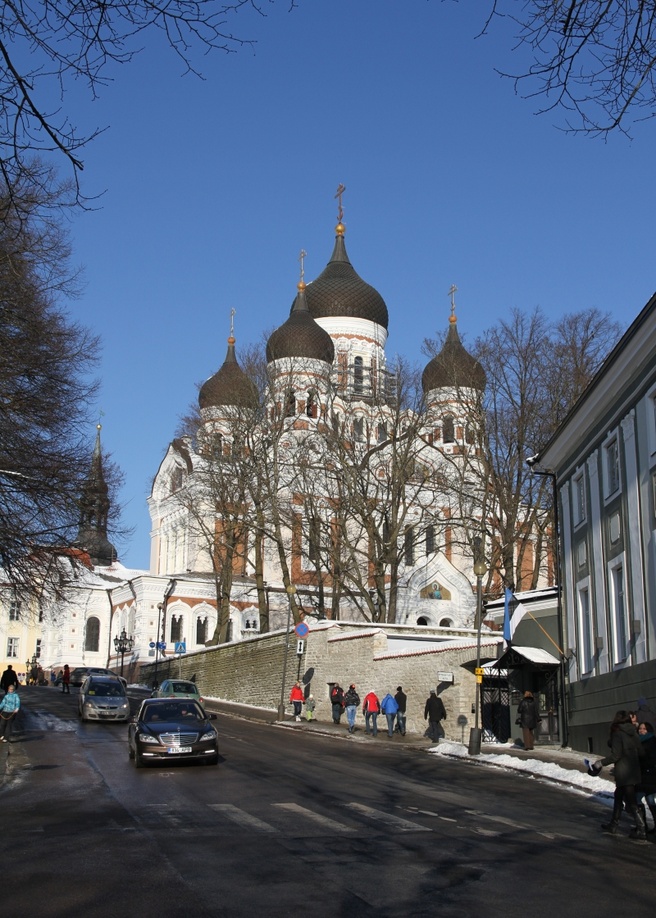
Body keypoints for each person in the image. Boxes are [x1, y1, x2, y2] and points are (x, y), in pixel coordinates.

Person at [591, 710, 647, 839]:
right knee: (618, 795)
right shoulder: (633, 732)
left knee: (631, 800)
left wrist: (600, 763)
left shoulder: (617, 734)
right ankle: (613, 824)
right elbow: (641, 752)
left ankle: (641, 828)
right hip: (634, 770)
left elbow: (616, 755)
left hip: (623, 771)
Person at [636, 721, 656, 833]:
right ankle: (644, 826)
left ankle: (642, 826)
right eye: (640, 728)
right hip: (646, 776)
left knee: (638, 798)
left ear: (649, 730)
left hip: (648, 776)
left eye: (644, 729)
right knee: (650, 800)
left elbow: (648, 758)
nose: (641, 730)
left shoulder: (649, 742)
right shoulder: (641, 741)